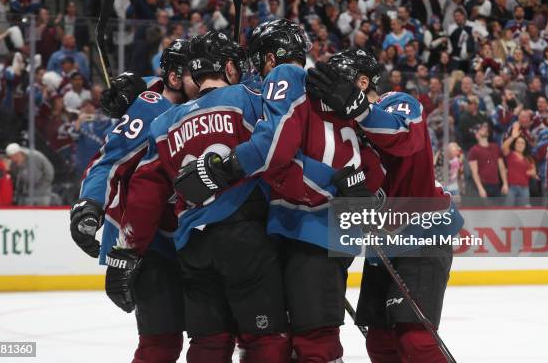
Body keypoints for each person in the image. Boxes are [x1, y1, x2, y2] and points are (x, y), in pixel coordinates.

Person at [174, 25, 386, 362]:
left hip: (309, 221)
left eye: (260, 62)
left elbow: (274, 149)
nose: (257, 71)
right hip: (319, 226)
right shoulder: (322, 88)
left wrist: (224, 166)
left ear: (270, 56)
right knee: (304, 339)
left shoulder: (285, 74)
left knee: (312, 341)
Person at [122, 31, 291, 362]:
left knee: (208, 343)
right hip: (245, 235)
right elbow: (280, 145)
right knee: (265, 338)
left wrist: (127, 250)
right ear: (229, 67)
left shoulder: (166, 122)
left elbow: (145, 193)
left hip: (193, 246)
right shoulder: (249, 97)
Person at [305, 52, 464, 363]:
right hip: (386, 239)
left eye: (339, 85)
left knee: (415, 340)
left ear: (362, 83)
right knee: (379, 342)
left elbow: (405, 137)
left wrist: (359, 108)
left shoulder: (397, 102)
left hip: (424, 230)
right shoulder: (343, 131)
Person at [69, 39, 196, 363]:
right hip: (153, 246)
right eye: (194, 69)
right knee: (160, 344)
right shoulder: (152, 107)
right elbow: (109, 163)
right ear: (173, 78)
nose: (203, 74)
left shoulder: (208, 104)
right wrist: (90, 205)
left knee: (213, 342)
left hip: (199, 242)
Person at [468, 123, 509, 200]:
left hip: (496, 184)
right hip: (483, 185)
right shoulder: (474, 150)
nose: (485, 130)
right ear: (476, 134)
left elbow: (501, 167)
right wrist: (480, 188)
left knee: (498, 211)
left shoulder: (495, 147)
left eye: (485, 129)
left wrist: (505, 183)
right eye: (482, 129)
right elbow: (474, 172)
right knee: (484, 211)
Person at [502, 122, 536, 206]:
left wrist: (528, 172)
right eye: (518, 142)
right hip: (511, 188)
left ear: (525, 145)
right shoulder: (510, 154)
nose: (520, 145)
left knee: (522, 214)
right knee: (508, 212)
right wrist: (513, 137)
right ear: (515, 144)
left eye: (522, 143)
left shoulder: (529, 158)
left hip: (524, 188)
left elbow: (534, 173)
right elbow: (504, 147)